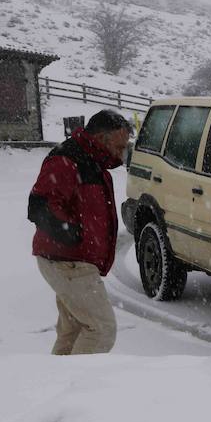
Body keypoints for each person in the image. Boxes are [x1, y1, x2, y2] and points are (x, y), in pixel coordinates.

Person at [27, 110, 133, 355]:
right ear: (100, 138)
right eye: (119, 146)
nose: (121, 153)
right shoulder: (67, 160)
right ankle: (79, 389)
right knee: (101, 329)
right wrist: (73, 236)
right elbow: (41, 204)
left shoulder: (92, 161)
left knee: (73, 329)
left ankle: (58, 382)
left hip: (73, 262)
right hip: (69, 263)